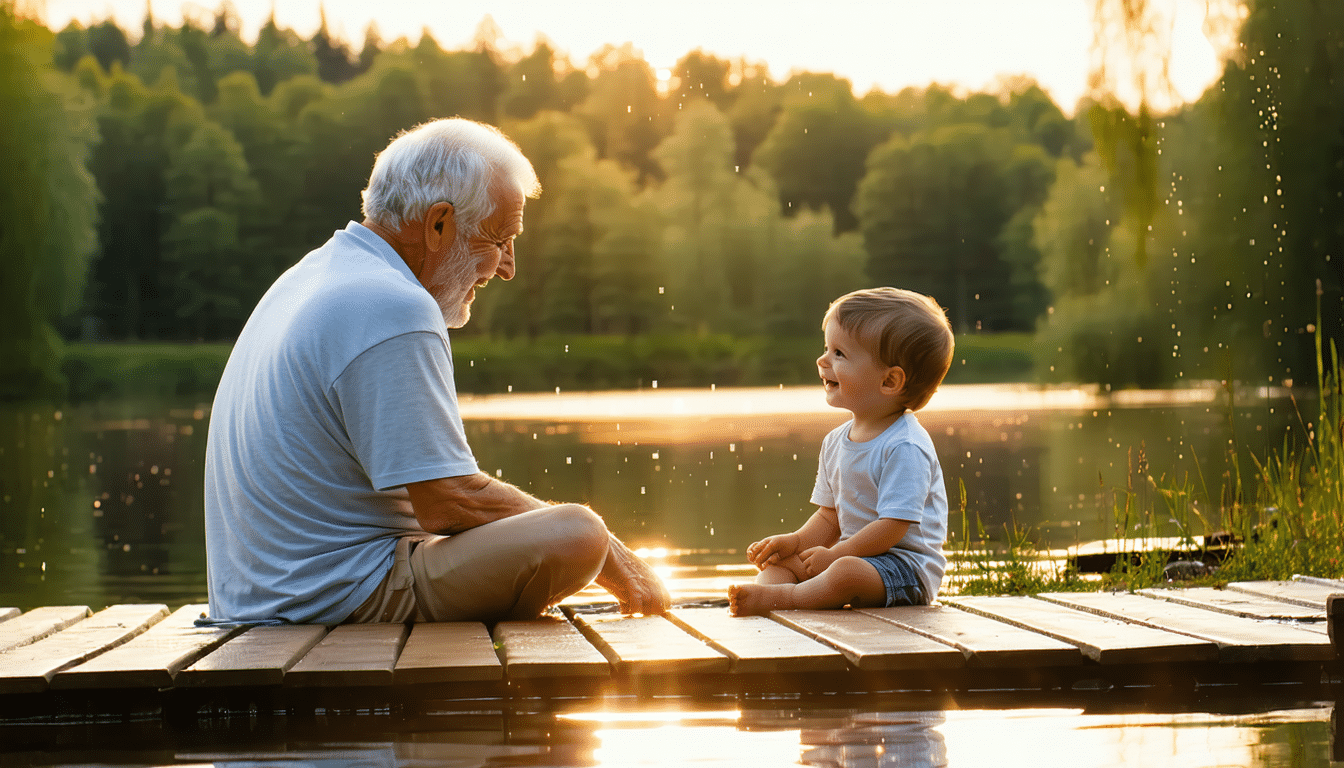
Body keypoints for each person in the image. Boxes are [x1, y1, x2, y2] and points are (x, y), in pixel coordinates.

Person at [202, 117, 670, 626]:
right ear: (439, 223)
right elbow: (448, 504)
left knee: (573, 532)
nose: (509, 267)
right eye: (499, 238)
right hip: (331, 601)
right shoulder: (393, 304)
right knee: (579, 534)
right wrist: (612, 556)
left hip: (266, 598)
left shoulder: (314, 275)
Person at [729, 287, 954, 616]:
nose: (822, 361)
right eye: (826, 348)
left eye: (839, 354)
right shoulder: (836, 441)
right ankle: (776, 596)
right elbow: (829, 516)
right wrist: (796, 541)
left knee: (844, 574)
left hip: (904, 571)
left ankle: (786, 600)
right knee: (781, 566)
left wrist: (837, 555)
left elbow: (893, 526)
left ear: (890, 381)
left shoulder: (905, 445)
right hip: (853, 557)